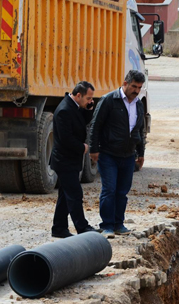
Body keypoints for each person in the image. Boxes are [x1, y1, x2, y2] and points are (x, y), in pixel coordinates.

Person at [89, 70, 147, 239]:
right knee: (109, 189)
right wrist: (94, 149)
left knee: (122, 191)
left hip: (128, 156)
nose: (136, 90)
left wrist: (141, 153)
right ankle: (106, 225)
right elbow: (95, 126)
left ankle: (118, 224)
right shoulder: (109, 100)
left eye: (139, 87)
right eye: (134, 86)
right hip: (108, 154)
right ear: (125, 84)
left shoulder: (138, 104)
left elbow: (139, 130)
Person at [50, 81, 99, 238]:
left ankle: (59, 228)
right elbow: (66, 139)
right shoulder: (64, 110)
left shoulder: (74, 106)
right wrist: (82, 147)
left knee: (65, 195)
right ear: (79, 95)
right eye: (89, 98)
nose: (91, 101)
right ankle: (82, 227)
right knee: (75, 193)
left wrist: (89, 108)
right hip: (64, 161)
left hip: (70, 160)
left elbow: (81, 121)